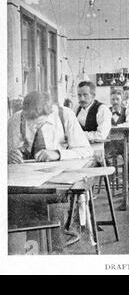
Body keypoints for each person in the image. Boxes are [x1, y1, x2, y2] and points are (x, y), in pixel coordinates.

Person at [8, 91, 94, 248]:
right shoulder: (16, 119)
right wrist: (8, 155)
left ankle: (54, 249)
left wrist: (58, 154)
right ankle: (25, 249)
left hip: (55, 180)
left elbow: (86, 151)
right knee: (13, 208)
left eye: (40, 124)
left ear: (50, 112)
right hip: (24, 181)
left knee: (54, 212)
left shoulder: (64, 115)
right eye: (31, 123)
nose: (35, 127)